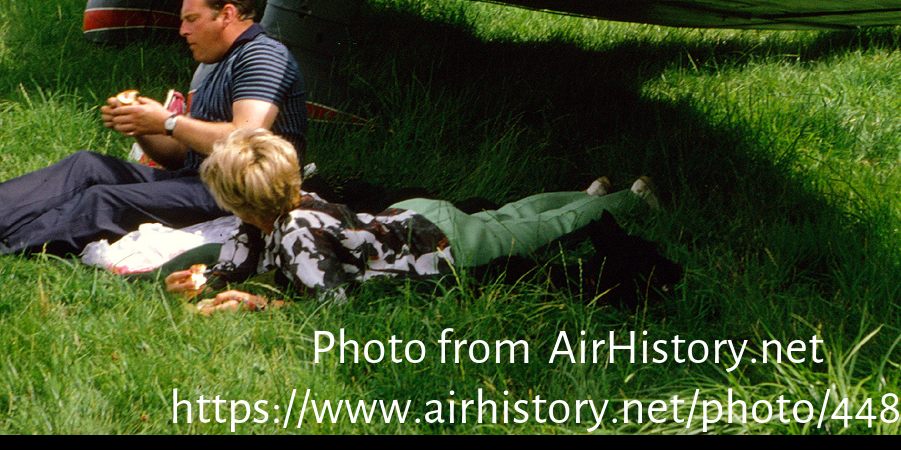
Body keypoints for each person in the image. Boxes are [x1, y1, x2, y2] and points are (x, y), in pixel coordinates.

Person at [0, 0, 308, 260]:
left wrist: (168, 121)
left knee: (105, 200)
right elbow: (181, 157)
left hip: (242, 195)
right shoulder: (218, 64)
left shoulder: (263, 55)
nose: (182, 31)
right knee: (86, 166)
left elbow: (245, 139)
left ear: (227, 14)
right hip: (200, 180)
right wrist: (140, 126)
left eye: (191, 19)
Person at [166, 128, 659, 309]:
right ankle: (587, 193)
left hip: (441, 242)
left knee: (536, 231)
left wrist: (254, 303)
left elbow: (333, 302)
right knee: (512, 214)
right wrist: (211, 276)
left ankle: (630, 200)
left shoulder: (295, 234)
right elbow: (245, 246)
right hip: (413, 218)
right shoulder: (289, 205)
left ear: (240, 201)